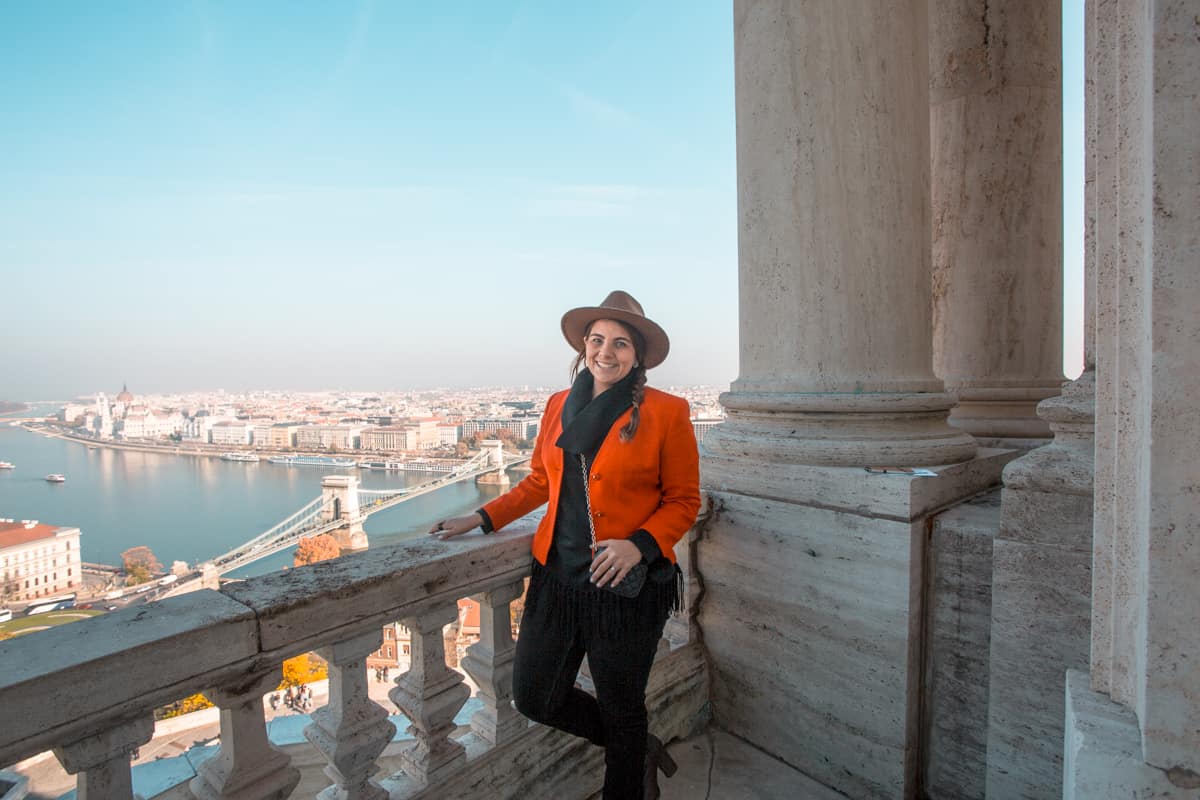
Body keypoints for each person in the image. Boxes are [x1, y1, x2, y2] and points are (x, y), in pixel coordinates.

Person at [432, 290, 701, 799]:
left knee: (622, 706)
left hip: (624, 584)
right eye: (597, 339)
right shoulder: (558, 405)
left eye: (620, 343)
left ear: (638, 355)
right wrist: (483, 516)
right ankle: (638, 747)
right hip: (557, 575)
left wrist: (639, 545)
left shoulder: (667, 412)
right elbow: (539, 481)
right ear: (583, 346)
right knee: (535, 696)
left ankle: (628, 778)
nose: (606, 351)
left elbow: (684, 500)